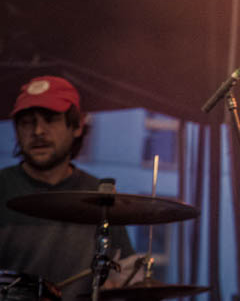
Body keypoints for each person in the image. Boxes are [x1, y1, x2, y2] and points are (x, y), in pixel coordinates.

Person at [0, 75, 137, 298]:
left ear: (77, 126)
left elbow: (128, 276)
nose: (37, 131)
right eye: (27, 122)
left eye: (50, 119)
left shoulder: (100, 196)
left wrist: (118, 287)